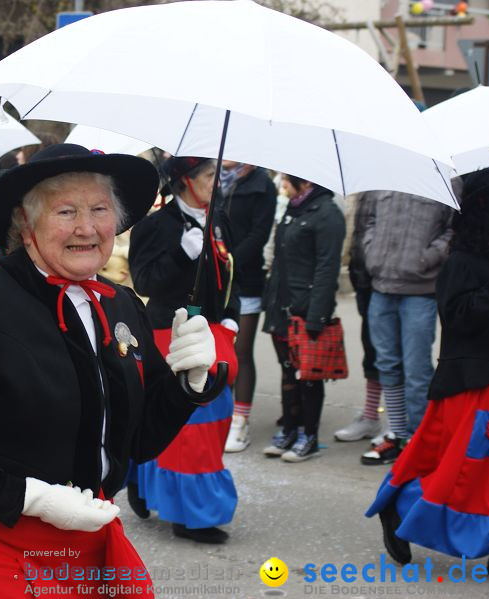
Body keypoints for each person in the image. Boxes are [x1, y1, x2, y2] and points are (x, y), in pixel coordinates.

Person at [0, 144, 219, 597]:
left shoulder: (119, 304)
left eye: (100, 209)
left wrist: (188, 385)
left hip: (83, 542)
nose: (86, 228)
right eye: (66, 211)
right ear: (25, 223)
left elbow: (136, 440)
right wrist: (33, 498)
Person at [365, 168, 489, 569]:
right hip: (470, 381)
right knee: (462, 469)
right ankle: (400, 508)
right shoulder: (463, 261)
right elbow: (459, 318)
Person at [127, 156, 240, 544]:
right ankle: (188, 514)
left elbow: (229, 273)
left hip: (212, 333)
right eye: (209, 174)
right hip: (168, 333)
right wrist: (181, 254)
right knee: (186, 425)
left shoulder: (219, 219)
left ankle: (149, 486)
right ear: (186, 181)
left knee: (213, 417)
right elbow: (143, 281)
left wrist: (231, 315)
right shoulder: (156, 225)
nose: (216, 180)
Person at [359, 189, 455, 465]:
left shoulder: (443, 180)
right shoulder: (386, 178)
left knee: (417, 369)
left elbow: (453, 229)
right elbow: (368, 222)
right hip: (381, 286)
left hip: (421, 292)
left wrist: (427, 257)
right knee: (387, 364)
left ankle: (419, 438)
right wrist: (372, 252)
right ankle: (398, 433)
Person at [261, 174, 345, 462]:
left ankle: (309, 434)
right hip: (282, 306)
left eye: (287, 178)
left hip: (305, 309)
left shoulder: (328, 213)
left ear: (306, 182)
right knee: (288, 370)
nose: (282, 183)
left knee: (307, 376)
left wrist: (316, 317)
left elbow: (327, 269)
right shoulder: (292, 208)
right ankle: (290, 429)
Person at [220, 161, 277, 452]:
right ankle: (220, 416)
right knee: (219, 351)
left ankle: (240, 422)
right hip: (216, 279)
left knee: (240, 350)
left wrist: (227, 260)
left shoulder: (262, 184)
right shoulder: (212, 178)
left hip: (245, 278)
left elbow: (259, 235)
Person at [333, 192, 384, 444]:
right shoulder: (360, 189)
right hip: (362, 276)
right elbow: (353, 231)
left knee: (398, 359)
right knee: (372, 352)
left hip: (389, 279)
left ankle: (402, 423)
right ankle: (370, 415)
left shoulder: (397, 182)